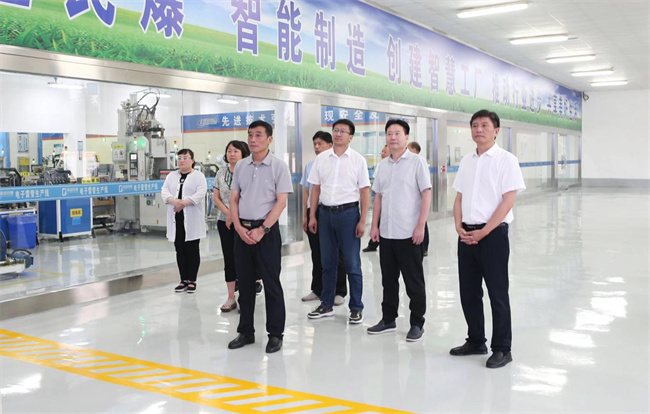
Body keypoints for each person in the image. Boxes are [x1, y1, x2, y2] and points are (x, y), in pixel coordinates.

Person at [450, 109, 525, 369]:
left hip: (492, 235)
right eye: (474, 125)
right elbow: (459, 197)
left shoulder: (507, 160)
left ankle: (502, 348)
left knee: (497, 292)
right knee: (469, 292)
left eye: (484, 125)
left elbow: (508, 201)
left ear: (496, 130)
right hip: (466, 234)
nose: (478, 130)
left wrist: (484, 232)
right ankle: (476, 341)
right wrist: (458, 225)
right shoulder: (467, 161)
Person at [227, 120, 293, 354]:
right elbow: (234, 198)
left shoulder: (278, 166)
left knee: (271, 284)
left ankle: (275, 334)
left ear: (269, 139)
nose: (253, 139)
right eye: (250, 135)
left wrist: (262, 229)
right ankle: (245, 332)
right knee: (245, 285)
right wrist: (238, 227)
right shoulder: (241, 166)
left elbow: (281, 202)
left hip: (266, 232)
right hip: (242, 231)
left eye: (258, 135)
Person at [367, 119, 431, 342]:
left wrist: (420, 226)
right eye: (389, 133)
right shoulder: (383, 165)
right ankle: (388, 319)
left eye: (397, 133)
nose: (393, 137)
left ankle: (417, 323)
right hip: (387, 233)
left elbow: (426, 194)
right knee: (388, 280)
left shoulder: (417, 162)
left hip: (409, 233)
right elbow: (378, 197)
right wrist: (374, 225)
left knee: (414, 281)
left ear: (406, 137)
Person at [307, 119, 370, 324]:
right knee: (327, 263)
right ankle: (326, 305)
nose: (338, 134)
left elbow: (364, 191)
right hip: (325, 214)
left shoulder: (358, 160)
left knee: (352, 263)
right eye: (336, 130)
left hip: (348, 215)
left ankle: (356, 307)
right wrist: (312, 215)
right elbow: (315, 188)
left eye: (343, 131)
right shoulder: (322, 159)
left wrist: (362, 220)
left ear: (351, 137)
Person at [213, 140, 264, 313]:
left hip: (244, 222)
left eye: (235, 151)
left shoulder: (249, 171)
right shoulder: (221, 172)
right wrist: (229, 214)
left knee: (244, 260)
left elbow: (249, 197)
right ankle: (230, 298)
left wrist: (235, 217)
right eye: (229, 151)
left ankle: (245, 297)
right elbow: (216, 197)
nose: (232, 154)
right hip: (224, 222)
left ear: (243, 153)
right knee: (229, 258)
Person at [301, 131, 348, 306]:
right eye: (314, 144)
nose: (316, 147)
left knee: (337, 253)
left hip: (331, 211)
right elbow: (306, 191)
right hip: (313, 211)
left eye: (320, 143)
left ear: (330, 145)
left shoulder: (338, 163)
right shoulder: (310, 165)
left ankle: (339, 291)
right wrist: (306, 216)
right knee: (317, 252)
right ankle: (318, 288)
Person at [161, 148, 207, 294]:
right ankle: (183, 279)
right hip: (177, 218)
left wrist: (183, 203)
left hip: (192, 218)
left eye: (185, 158)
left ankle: (192, 280)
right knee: (179, 250)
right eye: (179, 158)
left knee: (192, 250)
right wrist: (174, 201)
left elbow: (201, 193)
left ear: (192, 160)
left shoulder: (198, 176)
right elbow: (164, 191)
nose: (182, 160)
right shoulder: (171, 176)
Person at [362, 145, 389, 253]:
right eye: (382, 151)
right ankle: (373, 243)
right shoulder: (381, 165)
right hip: (379, 195)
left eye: (385, 152)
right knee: (378, 220)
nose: (382, 153)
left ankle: (374, 243)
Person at [407, 141, 430, 257]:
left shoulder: (420, 161)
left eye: (409, 149)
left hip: (420, 199)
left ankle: (424, 247)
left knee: (422, 223)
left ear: (415, 150)